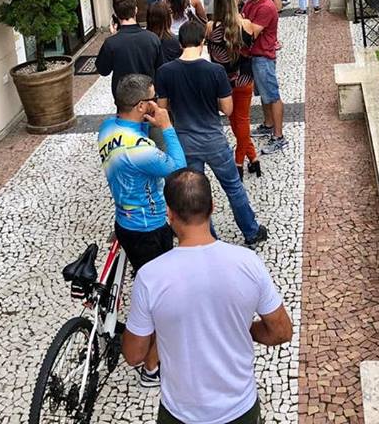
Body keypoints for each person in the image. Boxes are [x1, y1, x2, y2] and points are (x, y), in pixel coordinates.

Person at [123, 169, 292, 424]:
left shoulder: (150, 277)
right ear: (212, 207)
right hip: (240, 409)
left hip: (180, 414)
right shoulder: (249, 263)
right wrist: (243, 328)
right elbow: (281, 331)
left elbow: (134, 354)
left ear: (169, 213)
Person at [99, 73, 187, 388]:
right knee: (165, 302)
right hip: (150, 229)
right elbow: (179, 168)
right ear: (140, 106)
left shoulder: (106, 129)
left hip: (124, 221)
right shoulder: (140, 149)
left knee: (144, 280)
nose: (156, 101)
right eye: (152, 97)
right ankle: (151, 368)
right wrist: (166, 125)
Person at [155, 19, 267, 247]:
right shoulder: (215, 71)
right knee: (233, 186)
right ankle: (251, 231)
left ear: (180, 43)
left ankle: (208, 239)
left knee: (194, 193)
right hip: (214, 140)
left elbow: (162, 108)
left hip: (185, 141)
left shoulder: (165, 72)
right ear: (203, 42)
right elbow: (228, 109)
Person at [206, 0, 259, 178]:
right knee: (242, 120)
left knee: (234, 120)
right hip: (244, 79)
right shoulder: (246, 25)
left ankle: (239, 162)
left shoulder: (210, 27)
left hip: (223, 83)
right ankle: (252, 158)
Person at [242, 0, 287, 154]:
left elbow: (252, 32)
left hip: (263, 57)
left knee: (272, 95)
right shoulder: (250, 3)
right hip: (254, 56)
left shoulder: (266, 7)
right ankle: (268, 124)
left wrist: (240, 21)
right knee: (263, 94)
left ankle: (279, 136)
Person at [96, 0, 163, 96]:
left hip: (124, 98)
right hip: (147, 95)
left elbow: (103, 70)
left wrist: (113, 36)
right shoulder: (153, 38)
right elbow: (160, 69)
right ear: (136, 10)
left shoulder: (111, 43)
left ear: (116, 14)